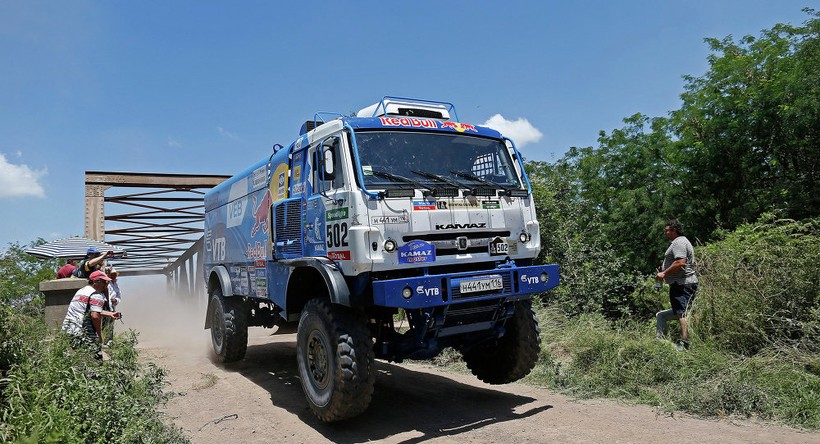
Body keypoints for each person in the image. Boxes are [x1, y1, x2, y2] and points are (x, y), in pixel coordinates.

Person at [655, 219, 698, 351]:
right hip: (684, 283)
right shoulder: (681, 242)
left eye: (667, 230)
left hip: (681, 284)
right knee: (682, 312)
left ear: (674, 230)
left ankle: (684, 343)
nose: (665, 233)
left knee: (682, 313)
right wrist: (663, 269)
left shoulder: (679, 242)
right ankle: (662, 342)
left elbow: (680, 262)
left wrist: (664, 274)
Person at [61, 270, 122, 359]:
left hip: (68, 330)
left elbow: (90, 309)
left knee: (76, 360)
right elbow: (95, 315)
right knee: (95, 361)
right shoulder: (96, 294)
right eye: (104, 281)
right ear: (95, 281)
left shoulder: (82, 291)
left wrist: (110, 314)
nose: (106, 284)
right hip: (83, 332)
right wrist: (99, 335)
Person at [101, 266, 122, 343]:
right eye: (112, 274)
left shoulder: (116, 284)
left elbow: (119, 296)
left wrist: (116, 300)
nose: (114, 275)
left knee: (111, 324)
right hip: (106, 305)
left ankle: (109, 340)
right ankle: (104, 340)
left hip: (113, 306)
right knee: (105, 323)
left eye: (115, 274)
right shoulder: (107, 283)